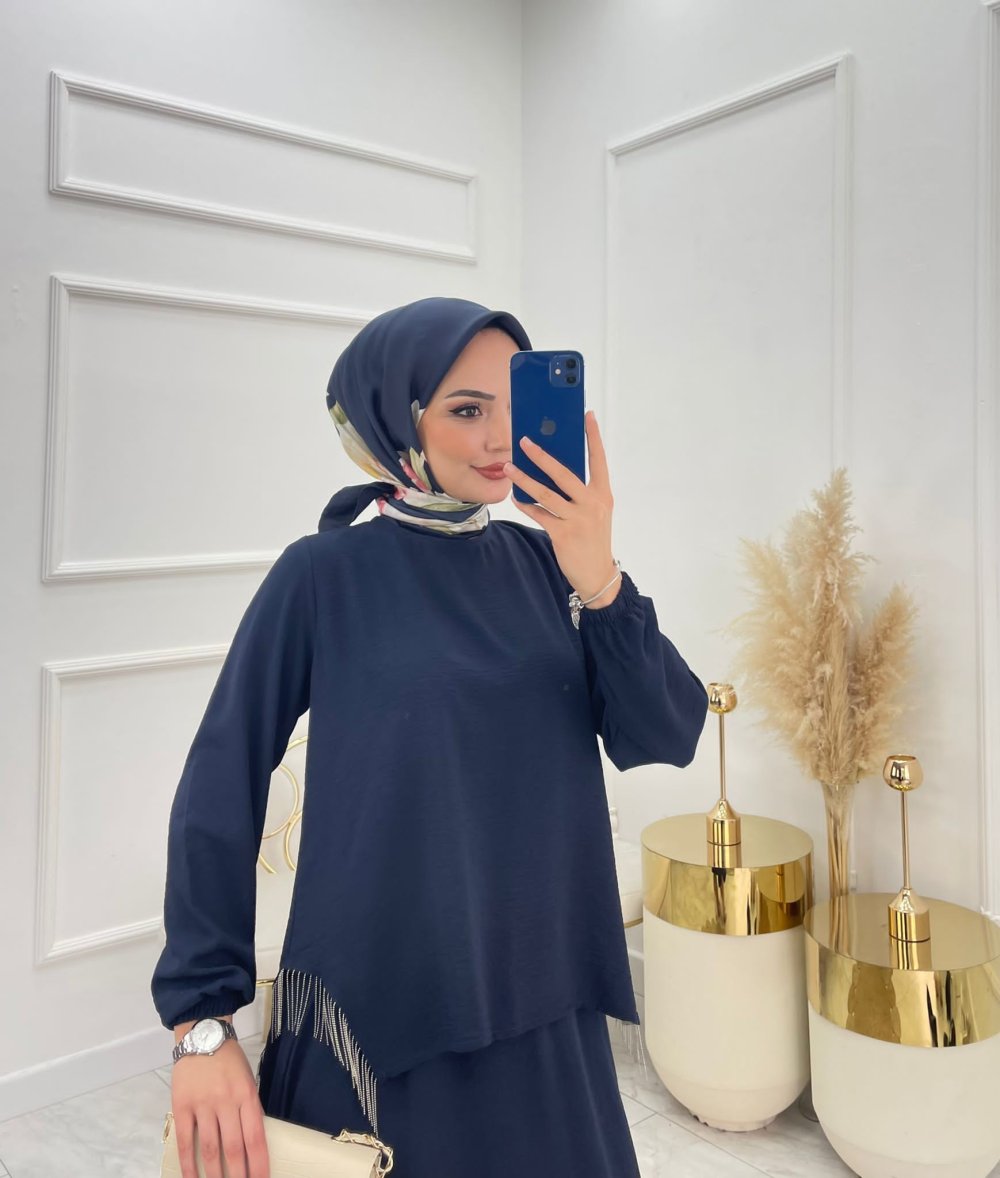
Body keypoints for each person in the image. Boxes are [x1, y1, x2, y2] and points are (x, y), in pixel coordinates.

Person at [151, 296, 709, 1178]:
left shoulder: (551, 568)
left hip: (545, 998)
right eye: (466, 409)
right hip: (384, 1011)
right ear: (396, 418)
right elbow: (220, 783)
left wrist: (600, 574)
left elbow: (668, 733)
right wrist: (202, 1021)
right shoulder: (323, 574)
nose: (500, 438)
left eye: (514, 407)